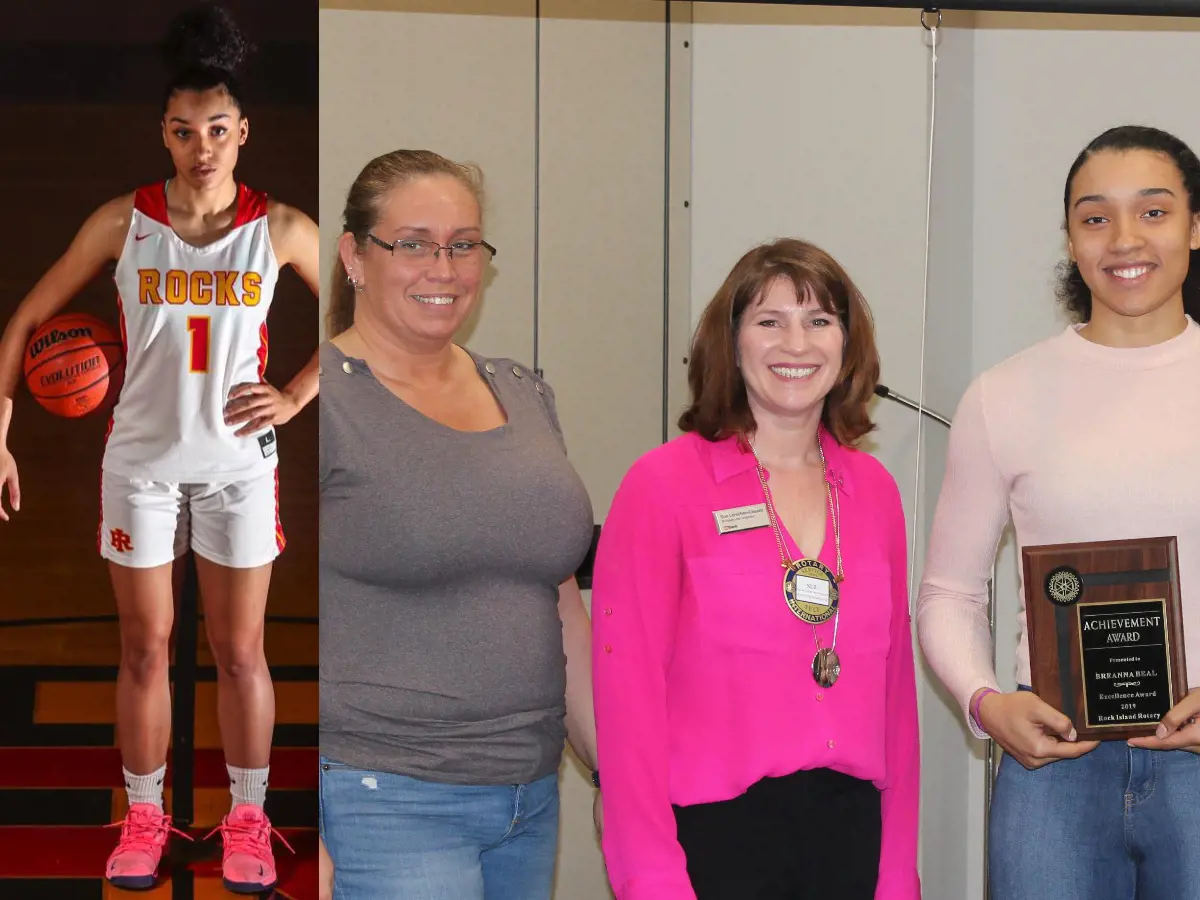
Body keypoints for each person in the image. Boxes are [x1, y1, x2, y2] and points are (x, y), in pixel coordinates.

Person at [0, 4, 319, 893]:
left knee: (242, 649)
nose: (201, 146)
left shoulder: (282, 228)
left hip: (237, 465)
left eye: (217, 129)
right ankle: (144, 813)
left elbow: (363, 320)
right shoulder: (122, 224)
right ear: (165, 135)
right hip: (138, 462)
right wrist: (2, 437)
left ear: (243, 131)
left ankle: (248, 819)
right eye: (184, 132)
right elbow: (25, 320)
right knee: (144, 647)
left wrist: (294, 394)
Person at [917, 124, 1200, 900]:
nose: (1123, 239)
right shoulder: (1003, 396)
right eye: (1095, 216)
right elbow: (950, 594)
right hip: (1055, 765)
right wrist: (986, 704)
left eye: (1153, 211)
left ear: (1195, 227)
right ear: (1071, 240)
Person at [591, 238, 921, 900]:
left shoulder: (875, 491)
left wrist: (896, 877)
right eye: (769, 321)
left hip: (850, 840)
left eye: (819, 321)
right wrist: (651, 881)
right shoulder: (663, 486)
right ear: (732, 343)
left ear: (847, 346)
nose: (796, 343)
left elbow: (896, 702)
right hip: (711, 848)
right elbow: (626, 709)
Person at [317, 148, 599, 900]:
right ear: (354, 256)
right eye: (412, 243)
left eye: (464, 244)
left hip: (528, 798)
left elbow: (559, 595)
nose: (443, 267)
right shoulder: (314, 399)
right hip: (383, 797)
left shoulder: (521, 390)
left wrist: (611, 766)